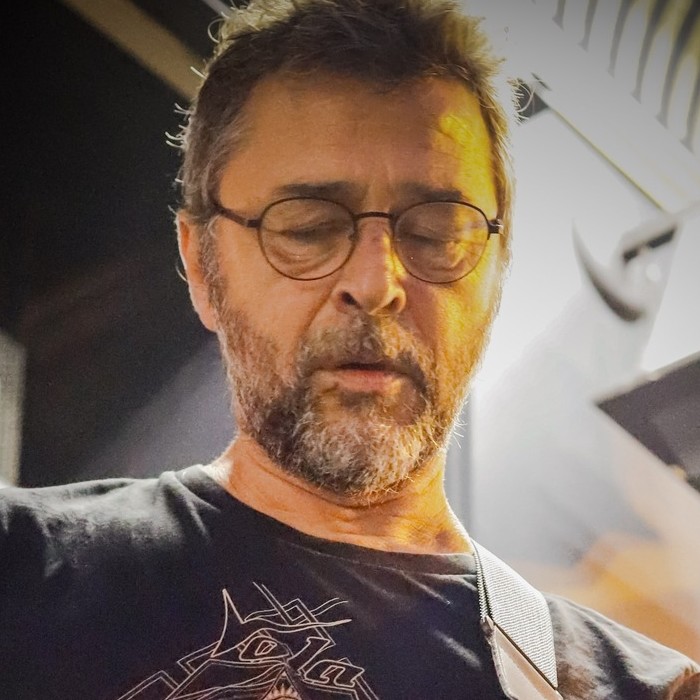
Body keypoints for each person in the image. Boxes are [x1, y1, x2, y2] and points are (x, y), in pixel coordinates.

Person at [1, 1, 698, 698]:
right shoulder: (20, 568)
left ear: (499, 269)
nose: (375, 283)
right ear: (202, 266)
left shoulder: (641, 689)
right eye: (307, 227)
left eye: (436, 233)